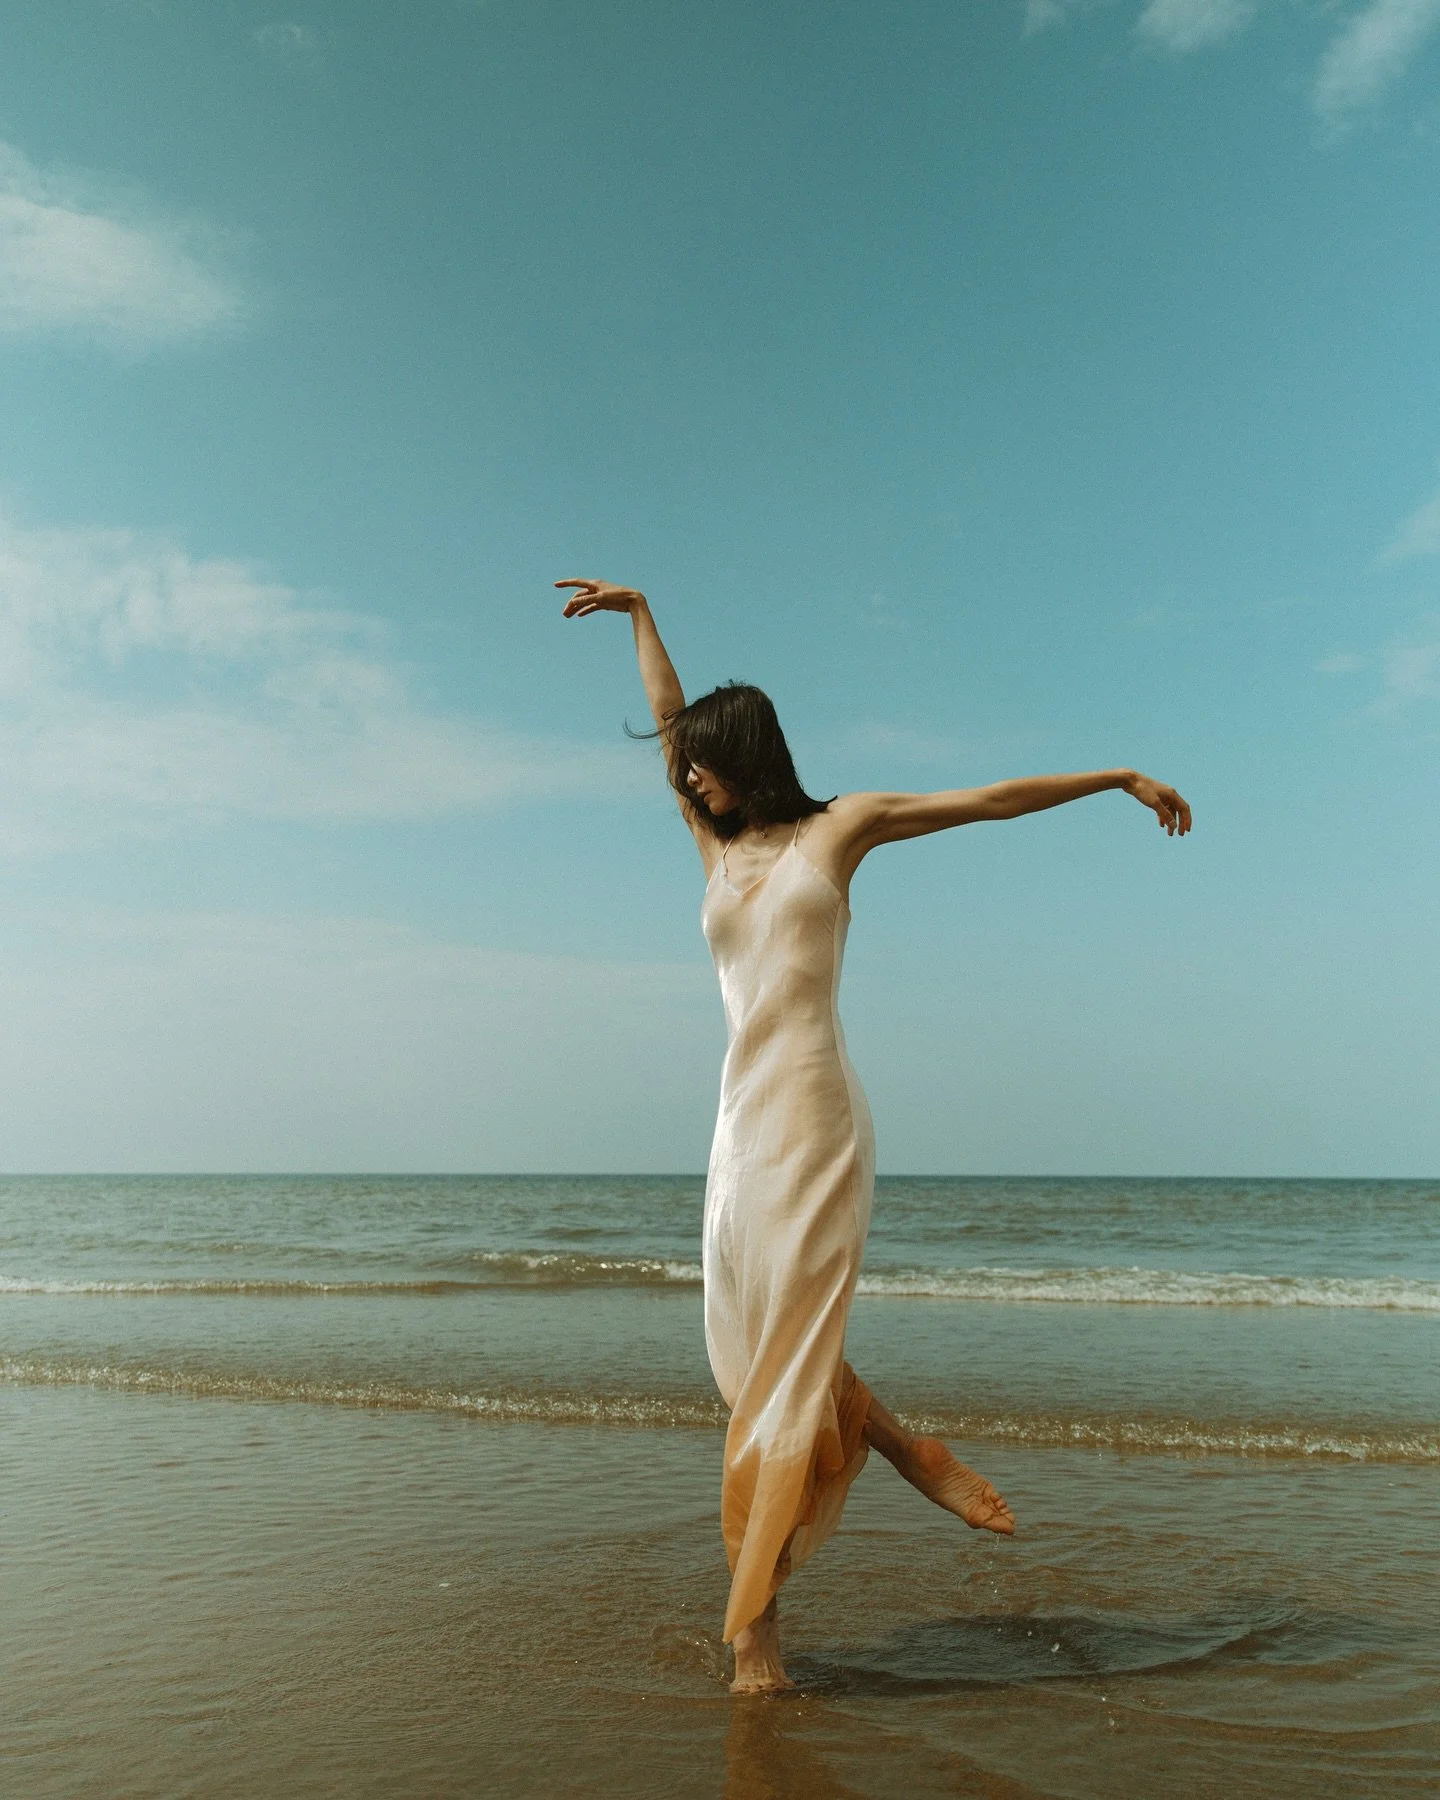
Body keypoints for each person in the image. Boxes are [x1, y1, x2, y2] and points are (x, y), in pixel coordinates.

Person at [556, 576, 1192, 1694]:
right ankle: (905, 1449)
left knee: (784, 1366)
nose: (690, 777)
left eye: (707, 762)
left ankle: (755, 1635)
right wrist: (643, 613)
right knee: (748, 1360)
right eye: (686, 769)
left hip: (812, 1114)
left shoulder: (835, 832)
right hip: (738, 1127)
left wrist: (1117, 778)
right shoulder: (715, 852)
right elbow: (665, 721)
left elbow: (986, 800)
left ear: (748, 754)